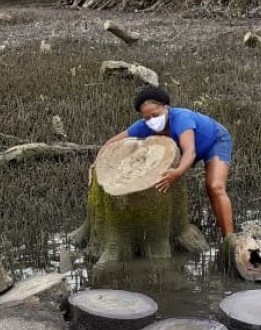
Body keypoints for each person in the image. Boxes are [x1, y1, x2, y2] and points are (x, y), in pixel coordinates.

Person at [93, 85, 235, 237]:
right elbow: (112, 143)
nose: (152, 121)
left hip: (214, 140)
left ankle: (229, 238)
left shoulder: (182, 119)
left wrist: (178, 172)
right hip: (186, 148)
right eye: (147, 118)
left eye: (155, 115)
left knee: (214, 186)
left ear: (166, 107)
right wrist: (95, 165)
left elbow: (190, 151)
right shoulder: (144, 126)